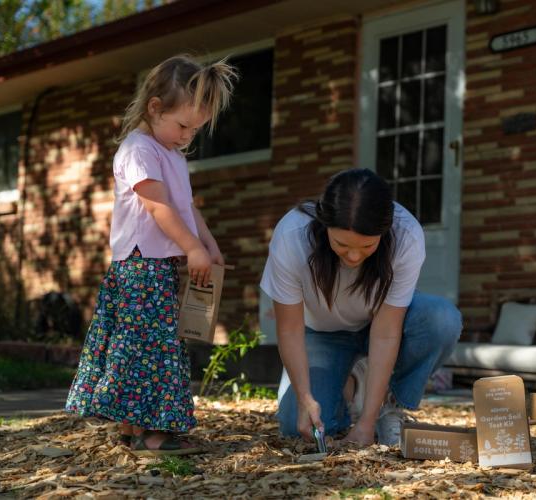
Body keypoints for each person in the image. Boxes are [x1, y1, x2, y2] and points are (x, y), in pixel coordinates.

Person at [65, 54, 236, 455]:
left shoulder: (172, 155)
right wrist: (192, 246)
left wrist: (207, 244)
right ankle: (147, 432)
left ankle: (132, 426)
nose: (186, 137)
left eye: (194, 130)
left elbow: (186, 206)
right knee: (148, 348)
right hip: (138, 268)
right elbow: (159, 208)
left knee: (149, 346)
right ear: (154, 107)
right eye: (182, 126)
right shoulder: (138, 149)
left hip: (156, 267)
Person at [261, 168, 462, 446]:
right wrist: (306, 399)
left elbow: (387, 332)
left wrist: (366, 425)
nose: (354, 256)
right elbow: (291, 329)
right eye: (341, 244)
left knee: (442, 319)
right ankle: (351, 385)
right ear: (324, 223)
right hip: (322, 334)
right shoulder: (292, 236)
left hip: (379, 325)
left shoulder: (407, 235)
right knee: (297, 426)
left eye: (367, 246)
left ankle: (389, 406)